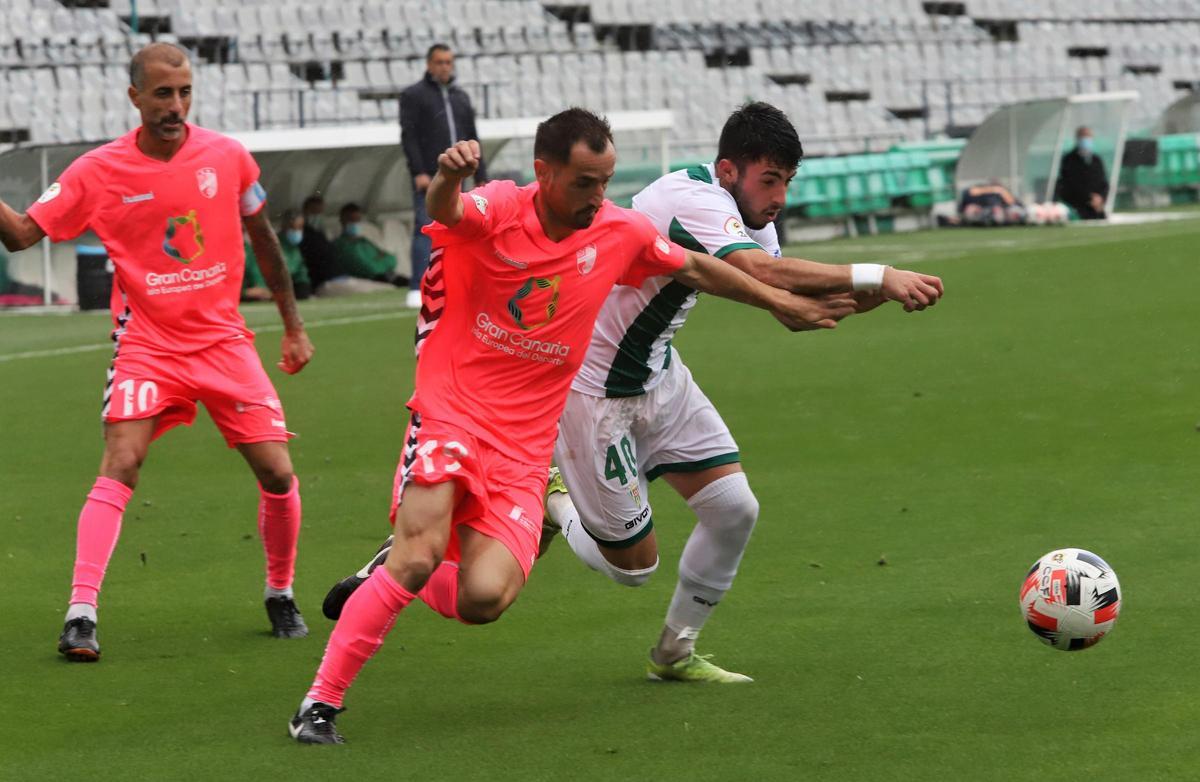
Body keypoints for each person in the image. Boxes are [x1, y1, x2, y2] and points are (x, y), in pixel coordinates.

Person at [287, 108, 856, 743]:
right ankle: (320, 704)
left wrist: (781, 304)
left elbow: (693, 267)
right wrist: (446, 178)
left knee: (484, 598)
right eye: (585, 182)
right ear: (544, 173)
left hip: (526, 446)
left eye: (606, 181)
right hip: (453, 410)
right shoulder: (502, 206)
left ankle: (395, 573)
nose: (598, 197)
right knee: (421, 555)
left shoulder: (618, 230)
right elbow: (448, 211)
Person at [0, 43, 315, 661]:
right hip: (148, 344)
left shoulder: (227, 157)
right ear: (135, 97)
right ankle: (81, 614)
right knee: (121, 460)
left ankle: (280, 592)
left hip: (223, 341)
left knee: (277, 473)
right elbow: (19, 236)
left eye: (185, 92)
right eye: (164, 94)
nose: (176, 106)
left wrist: (293, 325)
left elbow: (263, 235)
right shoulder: (98, 170)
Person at [401, 43, 486, 309]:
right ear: (429, 64)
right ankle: (417, 285)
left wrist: (481, 174)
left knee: (463, 230)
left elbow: (473, 135)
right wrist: (419, 172)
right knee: (425, 229)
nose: (444, 67)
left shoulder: (460, 97)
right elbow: (409, 135)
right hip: (432, 175)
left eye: (449, 62)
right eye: (439, 62)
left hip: (463, 175)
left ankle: (458, 281)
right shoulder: (414, 95)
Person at [331, 202, 409, 287]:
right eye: (352, 220)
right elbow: (367, 268)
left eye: (357, 220)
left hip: (386, 275)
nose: (355, 224)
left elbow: (392, 259)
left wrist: (378, 261)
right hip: (371, 279)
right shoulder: (341, 245)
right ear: (342, 220)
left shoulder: (364, 241)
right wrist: (379, 260)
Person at [244, 210, 312, 302]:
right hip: (260, 292)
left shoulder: (295, 250)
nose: (296, 232)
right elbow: (256, 270)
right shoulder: (271, 244)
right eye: (293, 228)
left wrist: (303, 289)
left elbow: (301, 274)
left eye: (299, 228)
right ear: (284, 226)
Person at [1054, 126, 1109, 220]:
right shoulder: (1069, 160)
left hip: (1097, 208)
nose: (1086, 139)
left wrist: (1100, 198)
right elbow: (1071, 184)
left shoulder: (1096, 160)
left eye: (1088, 136)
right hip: (1077, 207)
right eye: (1083, 136)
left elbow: (1104, 183)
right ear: (1077, 138)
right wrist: (1089, 198)